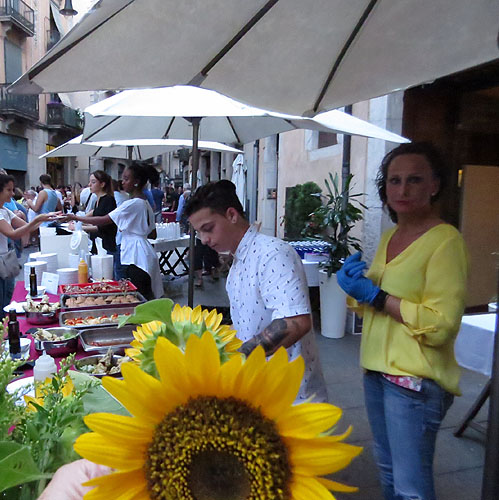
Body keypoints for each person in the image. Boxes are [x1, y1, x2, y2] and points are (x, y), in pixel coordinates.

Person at [336, 142, 468, 500]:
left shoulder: (446, 242)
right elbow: (376, 301)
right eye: (394, 181)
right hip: (377, 372)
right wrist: (355, 289)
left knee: (411, 489)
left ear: (435, 185)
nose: (403, 189)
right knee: (388, 472)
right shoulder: (390, 236)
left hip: (414, 381)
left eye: (415, 179)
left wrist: (376, 296)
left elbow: (441, 325)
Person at [185, 180, 327, 403]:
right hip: (259, 391)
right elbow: (247, 325)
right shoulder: (237, 262)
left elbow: (295, 322)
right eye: (199, 233)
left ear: (232, 215)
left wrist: (235, 357)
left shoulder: (272, 253)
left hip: (292, 397)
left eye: (208, 229)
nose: (204, 240)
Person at [0, 173, 56, 354]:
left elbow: (25, 225)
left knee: (3, 308)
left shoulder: (2, 209)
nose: (12, 194)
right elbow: (13, 233)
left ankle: (0, 347)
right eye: (9, 190)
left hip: (0, 263)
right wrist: (38, 219)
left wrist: (46, 218)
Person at [62, 162, 163, 300]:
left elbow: (105, 219)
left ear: (136, 182)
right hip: (145, 252)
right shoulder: (145, 203)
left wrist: (75, 217)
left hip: (135, 256)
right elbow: (153, 233)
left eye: (126, 179)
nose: (122, 182)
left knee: (137, 297)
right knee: (144, 295)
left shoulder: (132, 203)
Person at [85, 171, 118, 272]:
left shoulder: (108, 200)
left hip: (106, 245)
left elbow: (104, 226)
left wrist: (81, 227)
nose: (89, 185)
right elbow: (91, 218)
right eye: (90, 182)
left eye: (93, 182)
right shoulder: (98, 200)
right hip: (98, 243)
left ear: (102, 184)